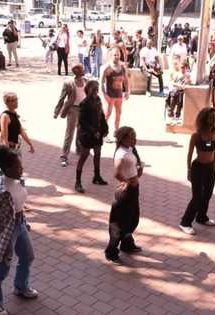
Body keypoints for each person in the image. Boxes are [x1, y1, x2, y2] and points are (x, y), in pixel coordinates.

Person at [0, 145, 38, 315]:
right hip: (8, 230)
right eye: (18, 166)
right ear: (7, 169)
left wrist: (22, 214)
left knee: (28, 256)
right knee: (1, 268)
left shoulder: (17, 180)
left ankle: (21, 287)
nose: (22, 169)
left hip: (20, 223)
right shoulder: (0, 192)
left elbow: (18, 201)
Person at [105, 126, 144, 264]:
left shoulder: (130, 149)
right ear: (123, 139)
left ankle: (127, 244)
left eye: (135, 136)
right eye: (131, 137)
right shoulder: (121, 154)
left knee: (132, 219)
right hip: (126, 193)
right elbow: (117, 173)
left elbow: (132, 168)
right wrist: (127, 182)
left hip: (134, 190)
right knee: (119, 223)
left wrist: (138, 171)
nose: (134, 139)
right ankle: (111, 252)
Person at [179, 108, 215, 235]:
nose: (214, 120)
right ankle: (185, 222)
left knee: (208, 194)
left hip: (210, 168)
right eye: (211, 117)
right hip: (198, 168)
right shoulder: (196, 135)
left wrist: (214, 164)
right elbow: (190, 154)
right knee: (197, 197)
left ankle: (202, 217)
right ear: (204, 119)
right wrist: (189, 170)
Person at [75, 80, 109, 193]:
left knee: (98, 154)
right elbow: (82, 121)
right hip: (87, 134)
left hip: (98, 133)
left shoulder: (98, 100)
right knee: (84, 156)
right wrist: (93, 131)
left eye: (97, 88)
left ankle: (97, 177)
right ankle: (78, 182)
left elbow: (101, 115)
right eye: (93, 88)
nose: (96, 90)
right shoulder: (84, 103)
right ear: (88, 89)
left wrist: (105, 128)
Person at [54, 64, 88, 167]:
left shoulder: (86, 81)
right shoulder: (69, 83)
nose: (84, 70)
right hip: (73, 109)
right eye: (82, 69)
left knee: (81, 131)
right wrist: (57, 111)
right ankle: (64, 156)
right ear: (76, 71)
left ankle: (79, 149)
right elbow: (62, 98)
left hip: (83, 109)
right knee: (70, 133)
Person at [101, 47, 129, 138]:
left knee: (118, 113)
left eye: (118, 54)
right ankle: (104, 134)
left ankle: (116, 132)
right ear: (111, 56)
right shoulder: (107, 68)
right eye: (114, 54)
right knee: (107, 114)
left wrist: (127, 91)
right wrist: (105, 95)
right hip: (110, 95)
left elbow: (126, 80)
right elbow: (101, 82)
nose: (116, 56)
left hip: (119, 95)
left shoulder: (122, 67)